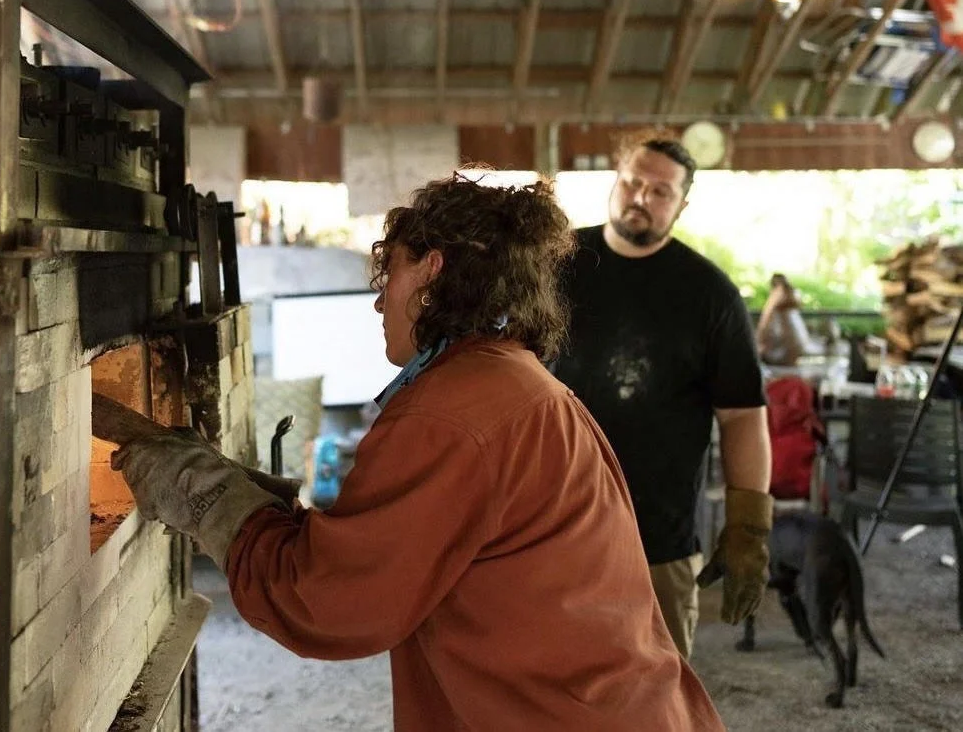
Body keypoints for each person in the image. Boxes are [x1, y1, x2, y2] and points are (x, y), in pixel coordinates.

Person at [112, 173, 726, 731]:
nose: (381, 301)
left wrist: (211, 501)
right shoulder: (508, 380)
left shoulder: (449, 411)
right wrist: (266, 509)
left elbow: (329, 603)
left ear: (433, 271)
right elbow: (401, 550)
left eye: (393, 275)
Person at [552, 129, 772, 661]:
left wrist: (748, 526)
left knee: (657, 699)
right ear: (616, 181)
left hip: (659, 540)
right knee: (550, 694)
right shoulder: (551, 266)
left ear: (682, 205)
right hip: (550, 530)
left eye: (661, 192)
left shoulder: (710, 294)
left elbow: (742, 415)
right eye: (633, 182)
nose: (641, 199)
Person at [756, 273, 822, 366]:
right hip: (783, 329)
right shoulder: (779, 294)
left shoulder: (785, 293)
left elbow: (793, 304)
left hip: (788, 328)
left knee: (792, 348)